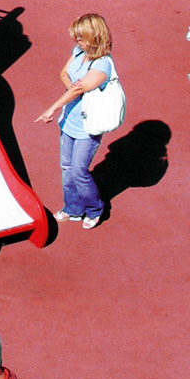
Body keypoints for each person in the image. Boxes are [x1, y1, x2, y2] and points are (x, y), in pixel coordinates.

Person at [33, 13, 117, 229]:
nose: (77, 41)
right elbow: (64, 74)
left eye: (81, 37)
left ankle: (95, 209)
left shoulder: (103, 66)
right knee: (66, 167)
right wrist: (72, 87)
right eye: (76, 37)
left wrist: (53, 107)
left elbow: (79, 89)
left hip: (87, 127)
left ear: (94, 36)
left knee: (79, 171)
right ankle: (72, 209)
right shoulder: (78, 52)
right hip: (69, 122)